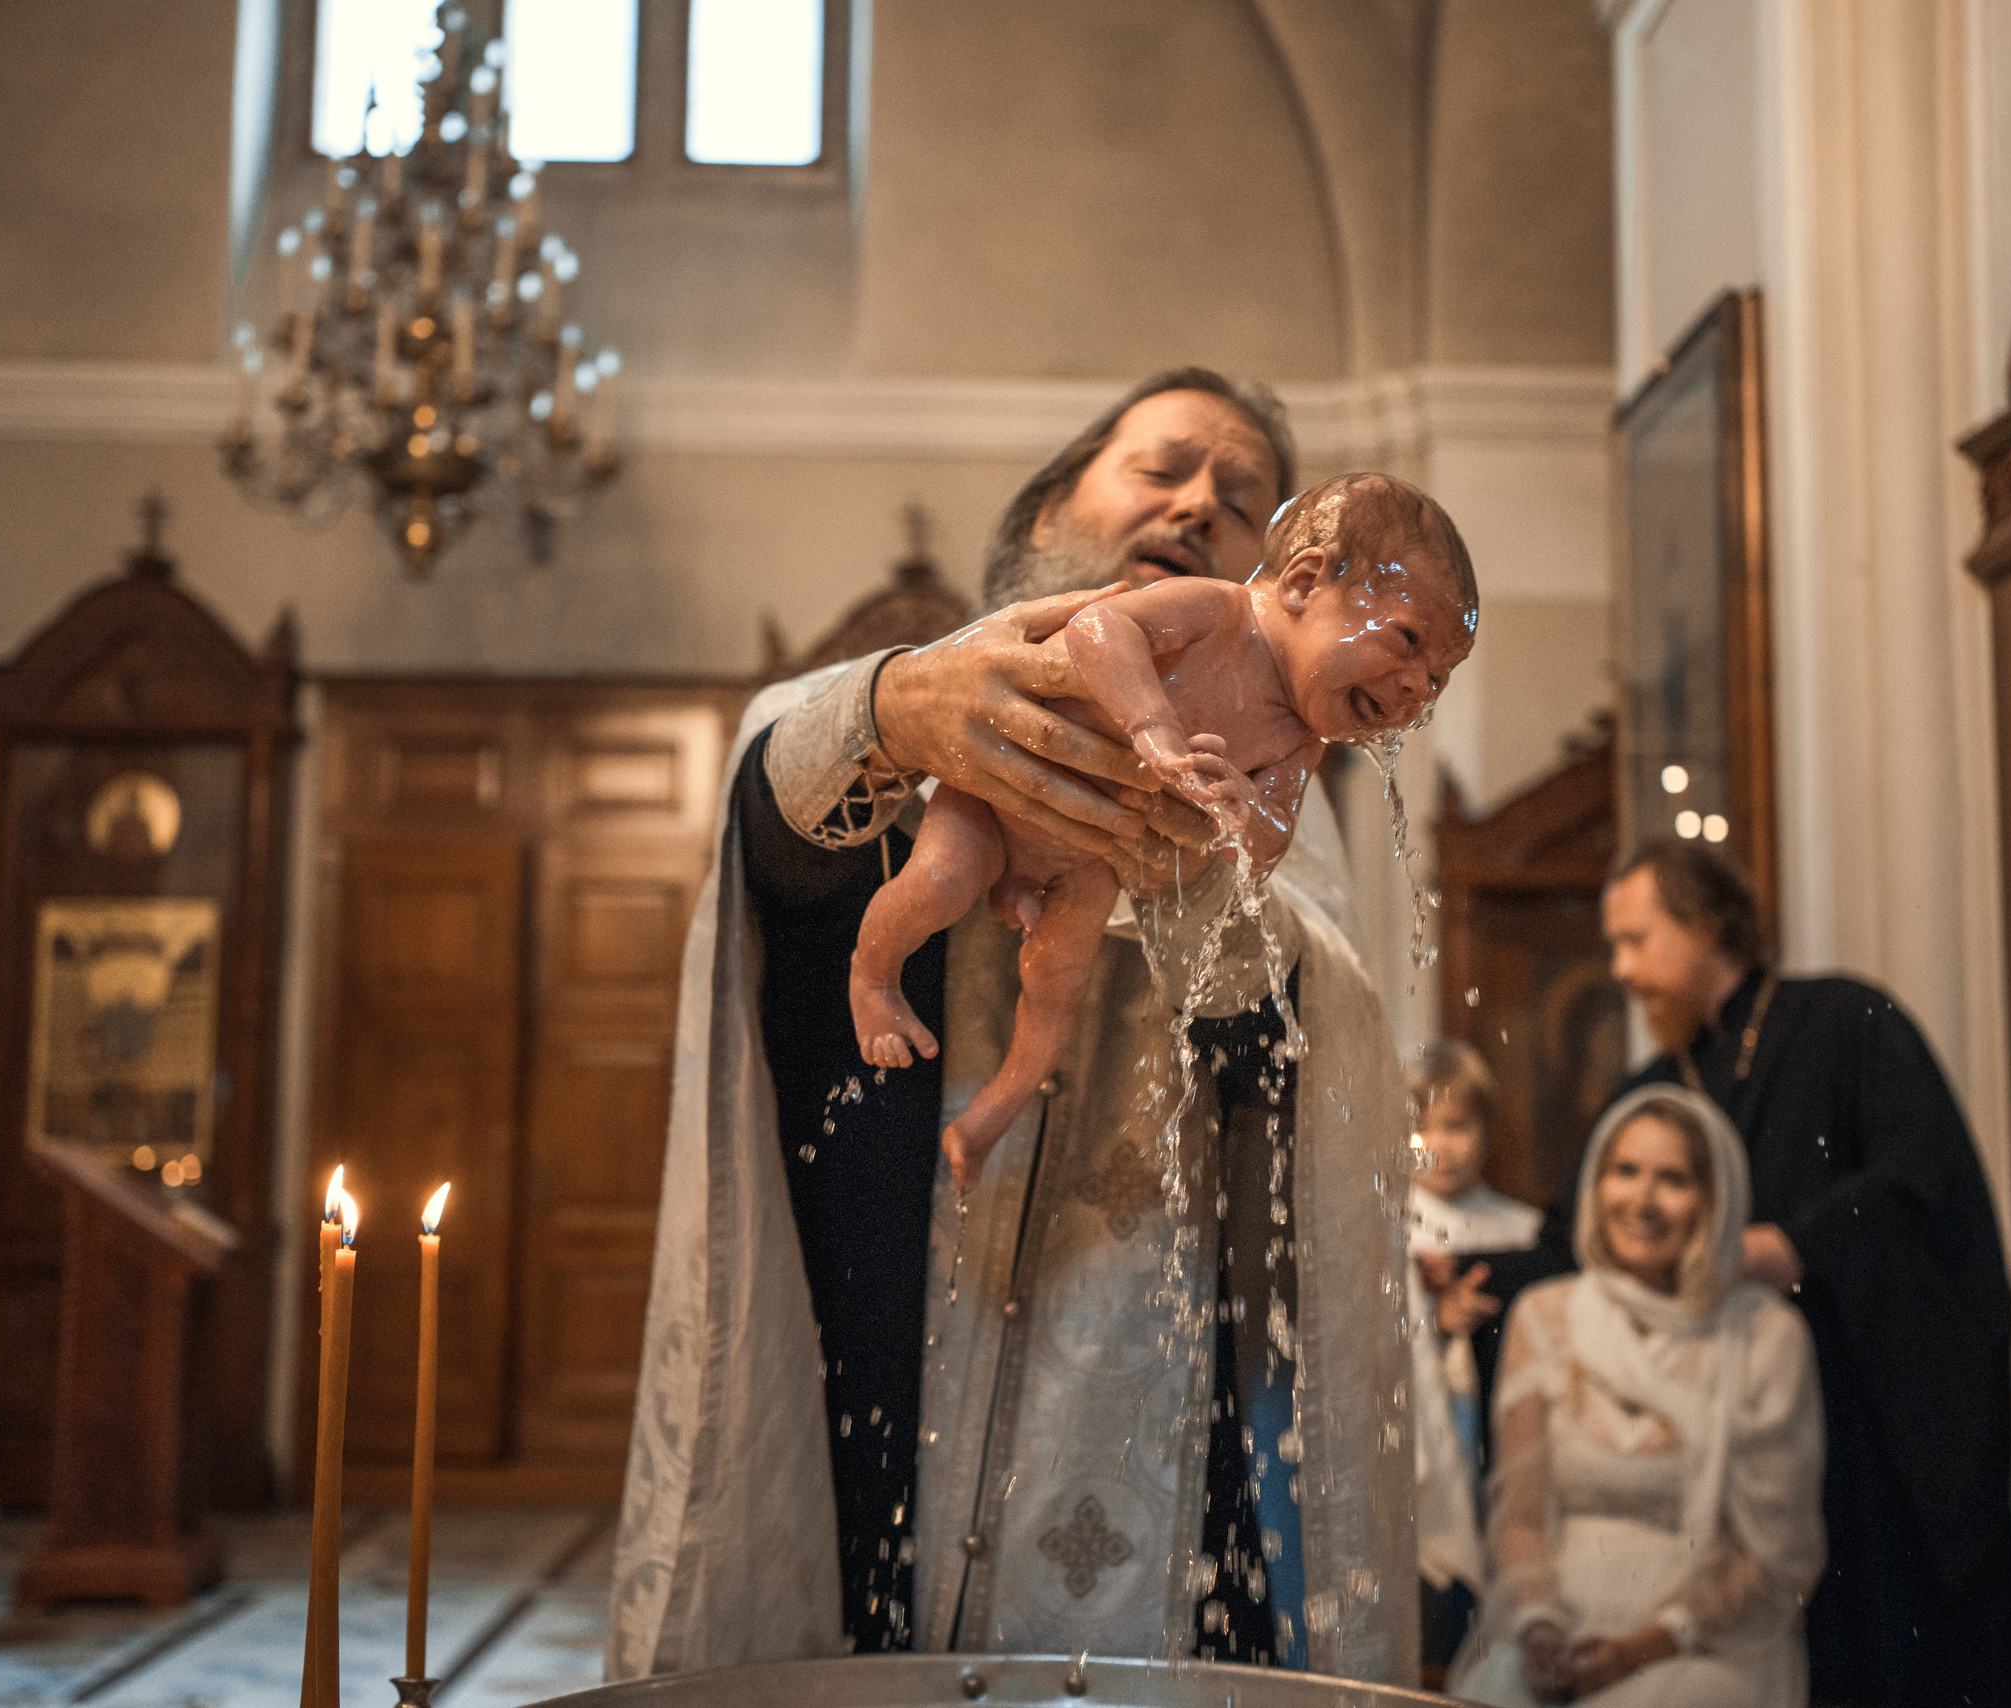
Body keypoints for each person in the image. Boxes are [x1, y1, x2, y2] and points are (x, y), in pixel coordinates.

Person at [610, 370, 1444, 1684]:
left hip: (1156, 1404)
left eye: (1239, 502)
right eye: (1162, 466)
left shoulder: (1289, 781)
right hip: (869, 1338)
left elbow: (1295, 1034)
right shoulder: (922, 696)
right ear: (1054, 506)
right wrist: (893, 710)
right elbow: (770, 821)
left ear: (1284, 575)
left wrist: (1199, 873)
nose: (1198, 508)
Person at [852, 473, 1478, 1189]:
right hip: (991, 806)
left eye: (1439, 678)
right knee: (935, 882)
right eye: (1407, 641)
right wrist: (1153, 730)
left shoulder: (1298, 742)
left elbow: (1267, 845)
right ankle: (873, 977)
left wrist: (1243, 814)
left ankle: (992, 1113)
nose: (1416, 688)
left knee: (1056, 988)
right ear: (1304, 581)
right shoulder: (1219, 612)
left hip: (1091, 856)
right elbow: (1100, 628)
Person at [1598, 838, 2011, 1705]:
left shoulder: (1848, 1024)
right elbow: (1567, 1240)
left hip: (1868, 1427)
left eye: (1635, 940)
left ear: (1706, 927)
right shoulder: (1659, 1083)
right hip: (1733, 1446)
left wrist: (1793, 1246)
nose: (1619, 969)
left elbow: (1919, 1177)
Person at [1453, 1084, 1825, 1707]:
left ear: (1715, 1199)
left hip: (1709, 1640)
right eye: (1624, 1172)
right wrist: (1539, 1629)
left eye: (1673, 1179)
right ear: (1596, 1185)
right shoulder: (1544, 1316)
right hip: (1554, 1625)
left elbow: (1775, 1557)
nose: (1642, 1200)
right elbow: (1520, 1517)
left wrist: (1639, 1649)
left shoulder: (1765, 1334)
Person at [1403, 1041, 1541, 1666]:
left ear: (1486, 1129)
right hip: (1427, 1440)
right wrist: (1433, 1319)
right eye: (1421, 1126)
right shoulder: (1392, 1219)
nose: (1441, 1143)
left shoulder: (1524, 1228)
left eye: (1457, 1125)